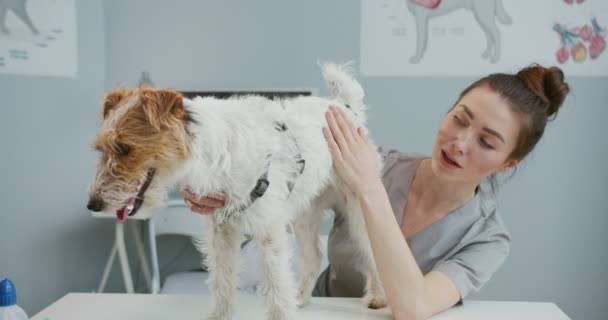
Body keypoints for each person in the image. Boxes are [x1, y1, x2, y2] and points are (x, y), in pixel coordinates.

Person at [181, 64, 570, 319]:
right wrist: (217, 187)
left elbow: (413, 306)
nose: (459, 143)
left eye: (486, 142)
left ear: (507, 164)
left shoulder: (487, 239)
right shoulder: (370, 157)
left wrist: (368, 186)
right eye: (459, 120)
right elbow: (272, 173)